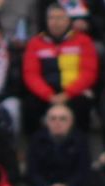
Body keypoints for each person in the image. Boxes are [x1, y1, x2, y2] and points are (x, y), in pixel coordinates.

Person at [21, 4, 100, 135]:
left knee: (82, 105)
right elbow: (31, 74)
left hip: (74, 92)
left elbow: (89, 73)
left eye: (60, 18)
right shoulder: (35, 42)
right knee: (30, 105)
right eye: (51, 18)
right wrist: (48, 95)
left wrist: (67, 94)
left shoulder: (83, 41)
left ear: (68, 20)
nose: (55, 22)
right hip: (46, 93)